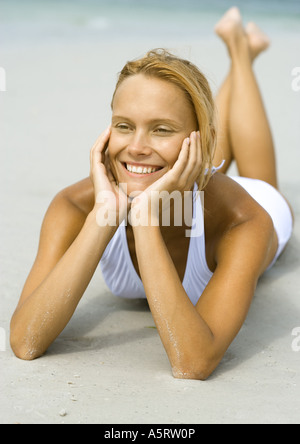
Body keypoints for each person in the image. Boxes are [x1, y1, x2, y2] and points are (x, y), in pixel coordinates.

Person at [10, 7, 294, 380]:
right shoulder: (74, 206)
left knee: (263, 180)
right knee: (178, 145)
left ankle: (241, 54)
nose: (137, 147)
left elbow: (193, 362)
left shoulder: (245, 219)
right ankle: (240, 49)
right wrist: (104, 216)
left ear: (200, 141)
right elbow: (25, 341)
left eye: (161, 129)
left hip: (248, 198)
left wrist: (144, 220)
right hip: (187, 170)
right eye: (125, 126)